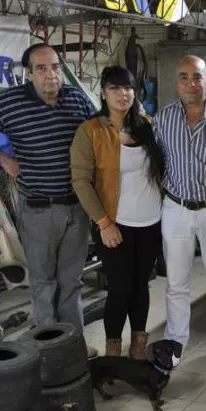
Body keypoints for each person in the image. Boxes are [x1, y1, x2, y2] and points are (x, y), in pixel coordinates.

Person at [0, 43, 97, 354]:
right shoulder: (10, 102)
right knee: (44, 286)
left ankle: (74, 350)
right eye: (41, 69)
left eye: (55, 67)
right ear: (29, 74)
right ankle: (50, 352)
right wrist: (1, 159)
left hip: (77, 208)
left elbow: (99, 135)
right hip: (40, 210)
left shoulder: (76, 99)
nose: (50, 74)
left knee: (71, 285)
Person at [70, 65, 164, 360]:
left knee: (141, 286)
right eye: (115, 88)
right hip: (116, 223)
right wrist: (104, 223)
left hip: (151, 221)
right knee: (120, 289)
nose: (123, 94)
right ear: (103, 93)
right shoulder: (91, 131)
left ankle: (138, 347)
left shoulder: (146, 126)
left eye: (128, 88)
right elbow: (81, 182)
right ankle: (112, 354)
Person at [154, 55, 206, 369]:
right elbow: (157, 162)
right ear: (176, 82)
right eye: (184, 77)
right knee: (176, 283)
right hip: (175, 209)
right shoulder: (162, 120)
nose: (190, 83)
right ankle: (175, 342)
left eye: (196, 77)